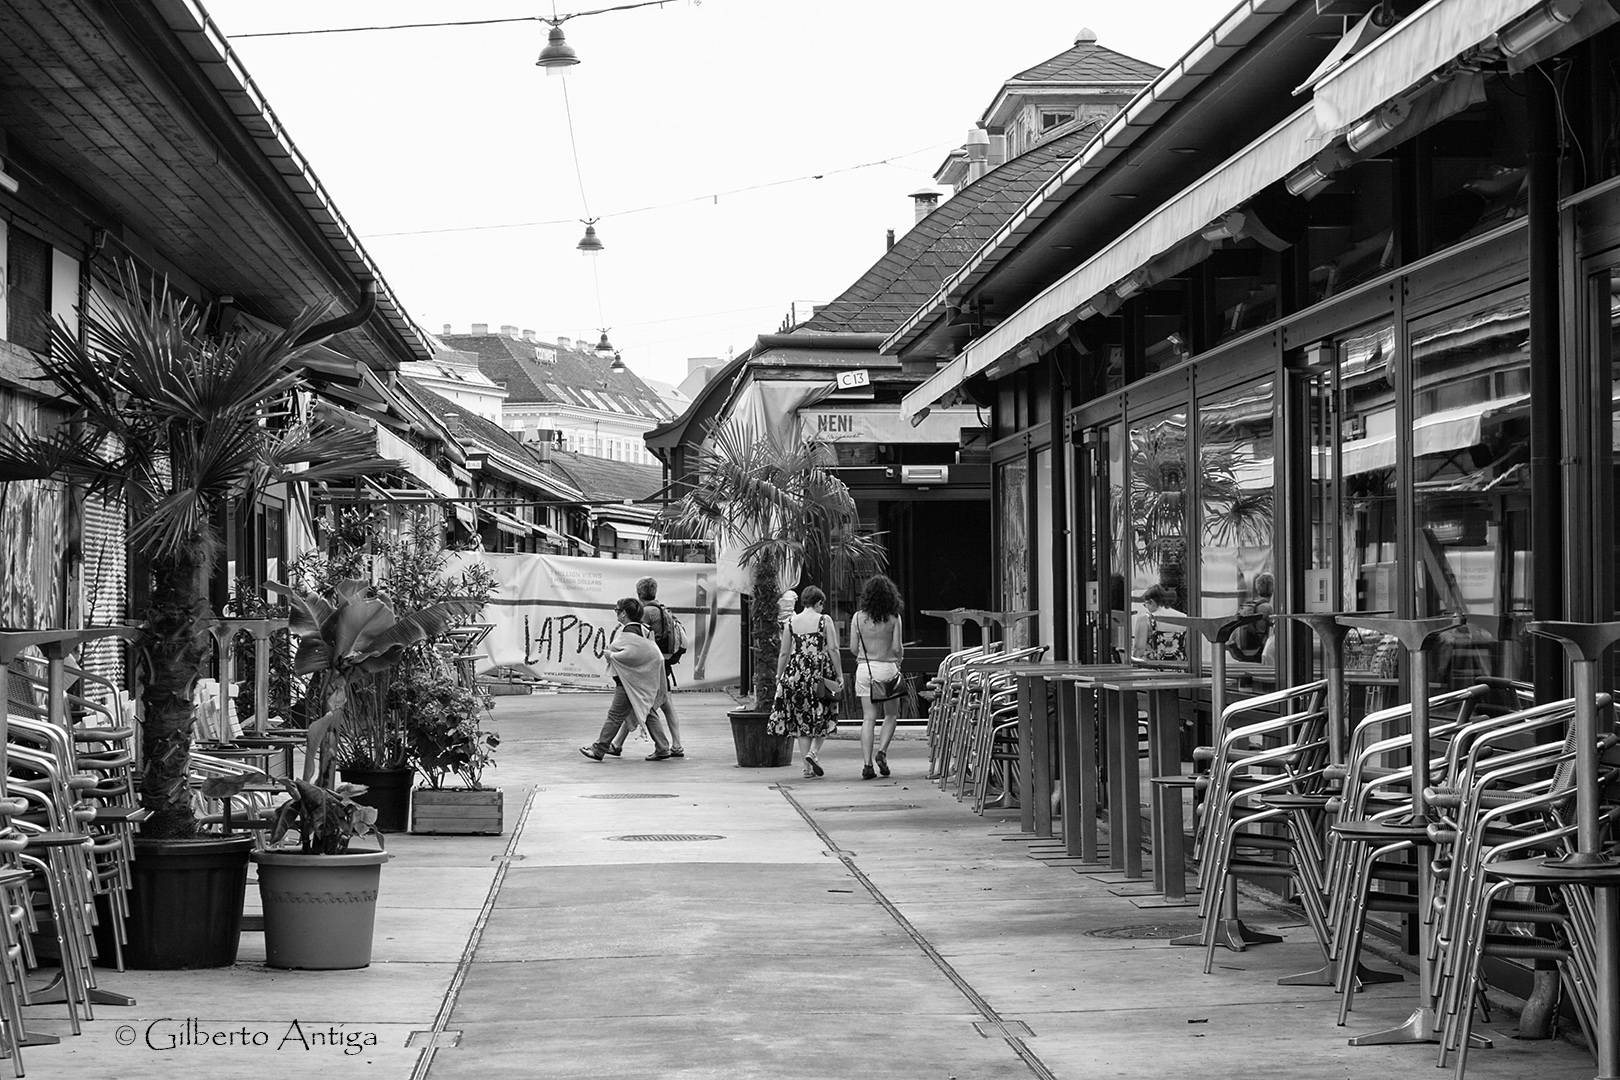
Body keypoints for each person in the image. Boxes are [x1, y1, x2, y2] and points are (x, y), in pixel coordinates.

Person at [580, 597, 674, 761]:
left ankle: (599, 749)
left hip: (629, 682)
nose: (616, 613)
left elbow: (630, 654)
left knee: (615, 716)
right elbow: (649, 654)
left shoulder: (629, 632)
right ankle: (663, 748)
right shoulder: (643, 629)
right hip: (643, 681)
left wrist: (611, 655)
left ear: (624, 614)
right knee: (648, 711)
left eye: (617, 610)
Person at [606, 576, 684, 758]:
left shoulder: (645, 612)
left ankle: (666, 746)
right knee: (661, 704)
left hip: (649, 666)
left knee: (642, 702)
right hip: (662, 662)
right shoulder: (663, 610)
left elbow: (636, 641)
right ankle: (676, 745)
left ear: (639, 593)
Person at [769, 584, 840, 778]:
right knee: (824, 715)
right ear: (818, 603)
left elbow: (784, 652)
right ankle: (813, 753)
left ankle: (807, 769)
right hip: (819, 672)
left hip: (795, 673)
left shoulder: (791, 622)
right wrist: (839, 674)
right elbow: (833, 649)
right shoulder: (824, 621)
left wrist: (779, 675)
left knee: (802, 721)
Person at [851, 573, 904, 779]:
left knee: (868, 718)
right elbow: (897, 648)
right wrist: (899, 658)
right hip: (887, 668)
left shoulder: (857, 618)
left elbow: (853, 648)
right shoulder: (894, 618)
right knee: (891, 715)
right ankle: (881, 752)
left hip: (865, 670)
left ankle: (866, 765)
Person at [1131, 584, 1187, 663]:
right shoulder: (1184, 618)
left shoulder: (1145, 619)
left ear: (1152, 602)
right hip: (1179, 669)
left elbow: (1139, 648)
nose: (1146, 608)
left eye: (1145, 605)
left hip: (1153, 669)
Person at [1228, 572, 1274, 663]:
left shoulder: (1248, 605)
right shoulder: (1267, 608)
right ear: (1272, 589)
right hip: (1255, 650)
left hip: (1237, 649)